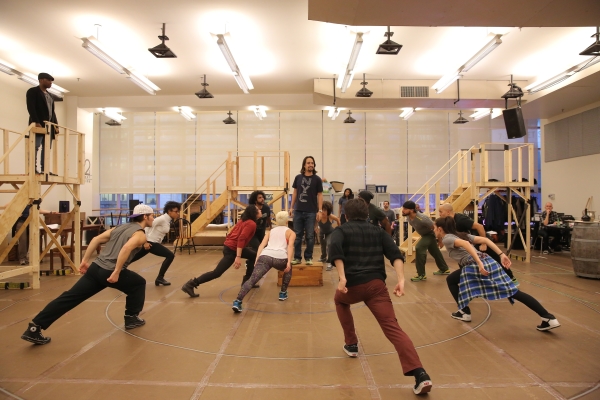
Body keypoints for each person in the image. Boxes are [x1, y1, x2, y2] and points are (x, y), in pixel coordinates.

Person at [328, 199, 433, 395]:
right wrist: (401, 279)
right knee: (393, 328)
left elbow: (336, 253)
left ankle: (351, 344)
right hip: (377, 286)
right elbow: (395, 255)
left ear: (345, 215)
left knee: (339, 301)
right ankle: (421, 374)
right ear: (367, 214)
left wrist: (342, 278)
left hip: (352, 286)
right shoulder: (378, 231)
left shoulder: (340, 232)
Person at [20, 204, 154, 345]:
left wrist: (84, 261)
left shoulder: (120, 227)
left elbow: (96, 239)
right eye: (152, 215)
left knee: (70, 297)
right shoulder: (140, 235)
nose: (153, 218)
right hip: (109, 272)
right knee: (139, 283)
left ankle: (34, 327)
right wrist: (116, 272)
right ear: (145, 217)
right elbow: (126, 248)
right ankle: (131, 318)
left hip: (95, 268)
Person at [433, 216, 560, 331]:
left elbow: (466, 245)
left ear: (439, 229)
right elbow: (485, 240)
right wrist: (501, 254)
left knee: (451, 280)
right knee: (513, 291)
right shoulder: (460, 235)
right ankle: (548, 317)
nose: (433, 230)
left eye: (434, 228)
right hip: (487, 261)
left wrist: (479, 263)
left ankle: (464, 312)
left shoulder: (448, 238)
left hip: (477, 264)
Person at [181, 205, 260, 297]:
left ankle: (247, 282)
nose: (260, 210)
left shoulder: (243, 221)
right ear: (254, 213)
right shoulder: (251, 223)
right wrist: (238, 257)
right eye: (258, 210)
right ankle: (191, 284)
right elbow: (241, 239)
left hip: (231, 246)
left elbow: (232, 234)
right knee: (217, 273)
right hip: (232, 249)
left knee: (254, 256)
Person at [438, 203, 518, 285]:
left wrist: (483, 244)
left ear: (448, 212)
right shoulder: (447, 222)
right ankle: (473, 283)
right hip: (468, 243)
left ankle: (511, 278)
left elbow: (479, 226)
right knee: (463, 263)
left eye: (441, 212)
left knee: (497, 259)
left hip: (480, 240)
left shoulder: (460, 219)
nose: (439, 214)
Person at [232, 211, 296, 311]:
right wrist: (288, 262)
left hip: (265, 257)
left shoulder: (270, 232)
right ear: (287, 221)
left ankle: (238, 301)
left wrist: (257, 258)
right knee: (289, 269)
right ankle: (283, 293)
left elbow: (261, 245)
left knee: (252, 279)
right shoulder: (291, 233)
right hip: (280, 258)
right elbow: (290, 246)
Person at [129, 201, 180, 286]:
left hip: (152, 242)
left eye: (178, 211)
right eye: (176, 211)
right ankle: (160, 278)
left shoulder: (167, 220)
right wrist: (145, 242)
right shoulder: (162, 219)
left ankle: (115, 270)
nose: (178, 213)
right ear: (169, 211)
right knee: (170, 255)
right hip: (151, 242)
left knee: (132, 258)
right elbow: (145, 227)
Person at [401, 201, 450, 281]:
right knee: (435, 252)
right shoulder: (408, 217)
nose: (403, 210)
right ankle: (444, 269)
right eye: (403, 208)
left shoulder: (422, 218)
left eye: (405, 209)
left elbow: (435, 228)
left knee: (419, 248)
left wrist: (440, 241)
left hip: (430, 234)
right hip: (424, 235)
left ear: (412, 210)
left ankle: (421, 275)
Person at [289, 156, 323, 265]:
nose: (310, 165)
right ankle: (297, 257)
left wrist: (320, 210)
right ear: (304, 165)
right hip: (298, 211)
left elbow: (320, 195)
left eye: (312, 163)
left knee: (310, 236)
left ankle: (308, 257)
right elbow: (294, 193)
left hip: (311, 212)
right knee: (297, 236)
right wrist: (291, 207)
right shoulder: (298, 177)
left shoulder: (317, 179)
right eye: (308, 163)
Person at [26, 72, 59, 175]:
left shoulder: (50, 96)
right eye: (48, 80)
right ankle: (32, 169)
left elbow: (52, 112)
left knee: (46, 148)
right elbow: (31, 107)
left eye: (51, 81)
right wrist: (36, 121)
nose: (50, 83)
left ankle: (45, 169)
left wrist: (56, 125)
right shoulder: (33, 92)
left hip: (49, 126)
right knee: (35, 146)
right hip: (38, 124)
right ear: (41, 80)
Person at [316, 201, 341, 271]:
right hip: (321, 233)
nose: (323, 212)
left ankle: (330, 262)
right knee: (323, 246)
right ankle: (323, 257)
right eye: (322, 210)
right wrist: (315, 227)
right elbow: (315, 222)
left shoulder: (330, 216)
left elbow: (337, 219)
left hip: (330, 233)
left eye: (325, 210)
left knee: (329, 244)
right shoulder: (318, 216)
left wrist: (339, 228)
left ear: (328, 211)